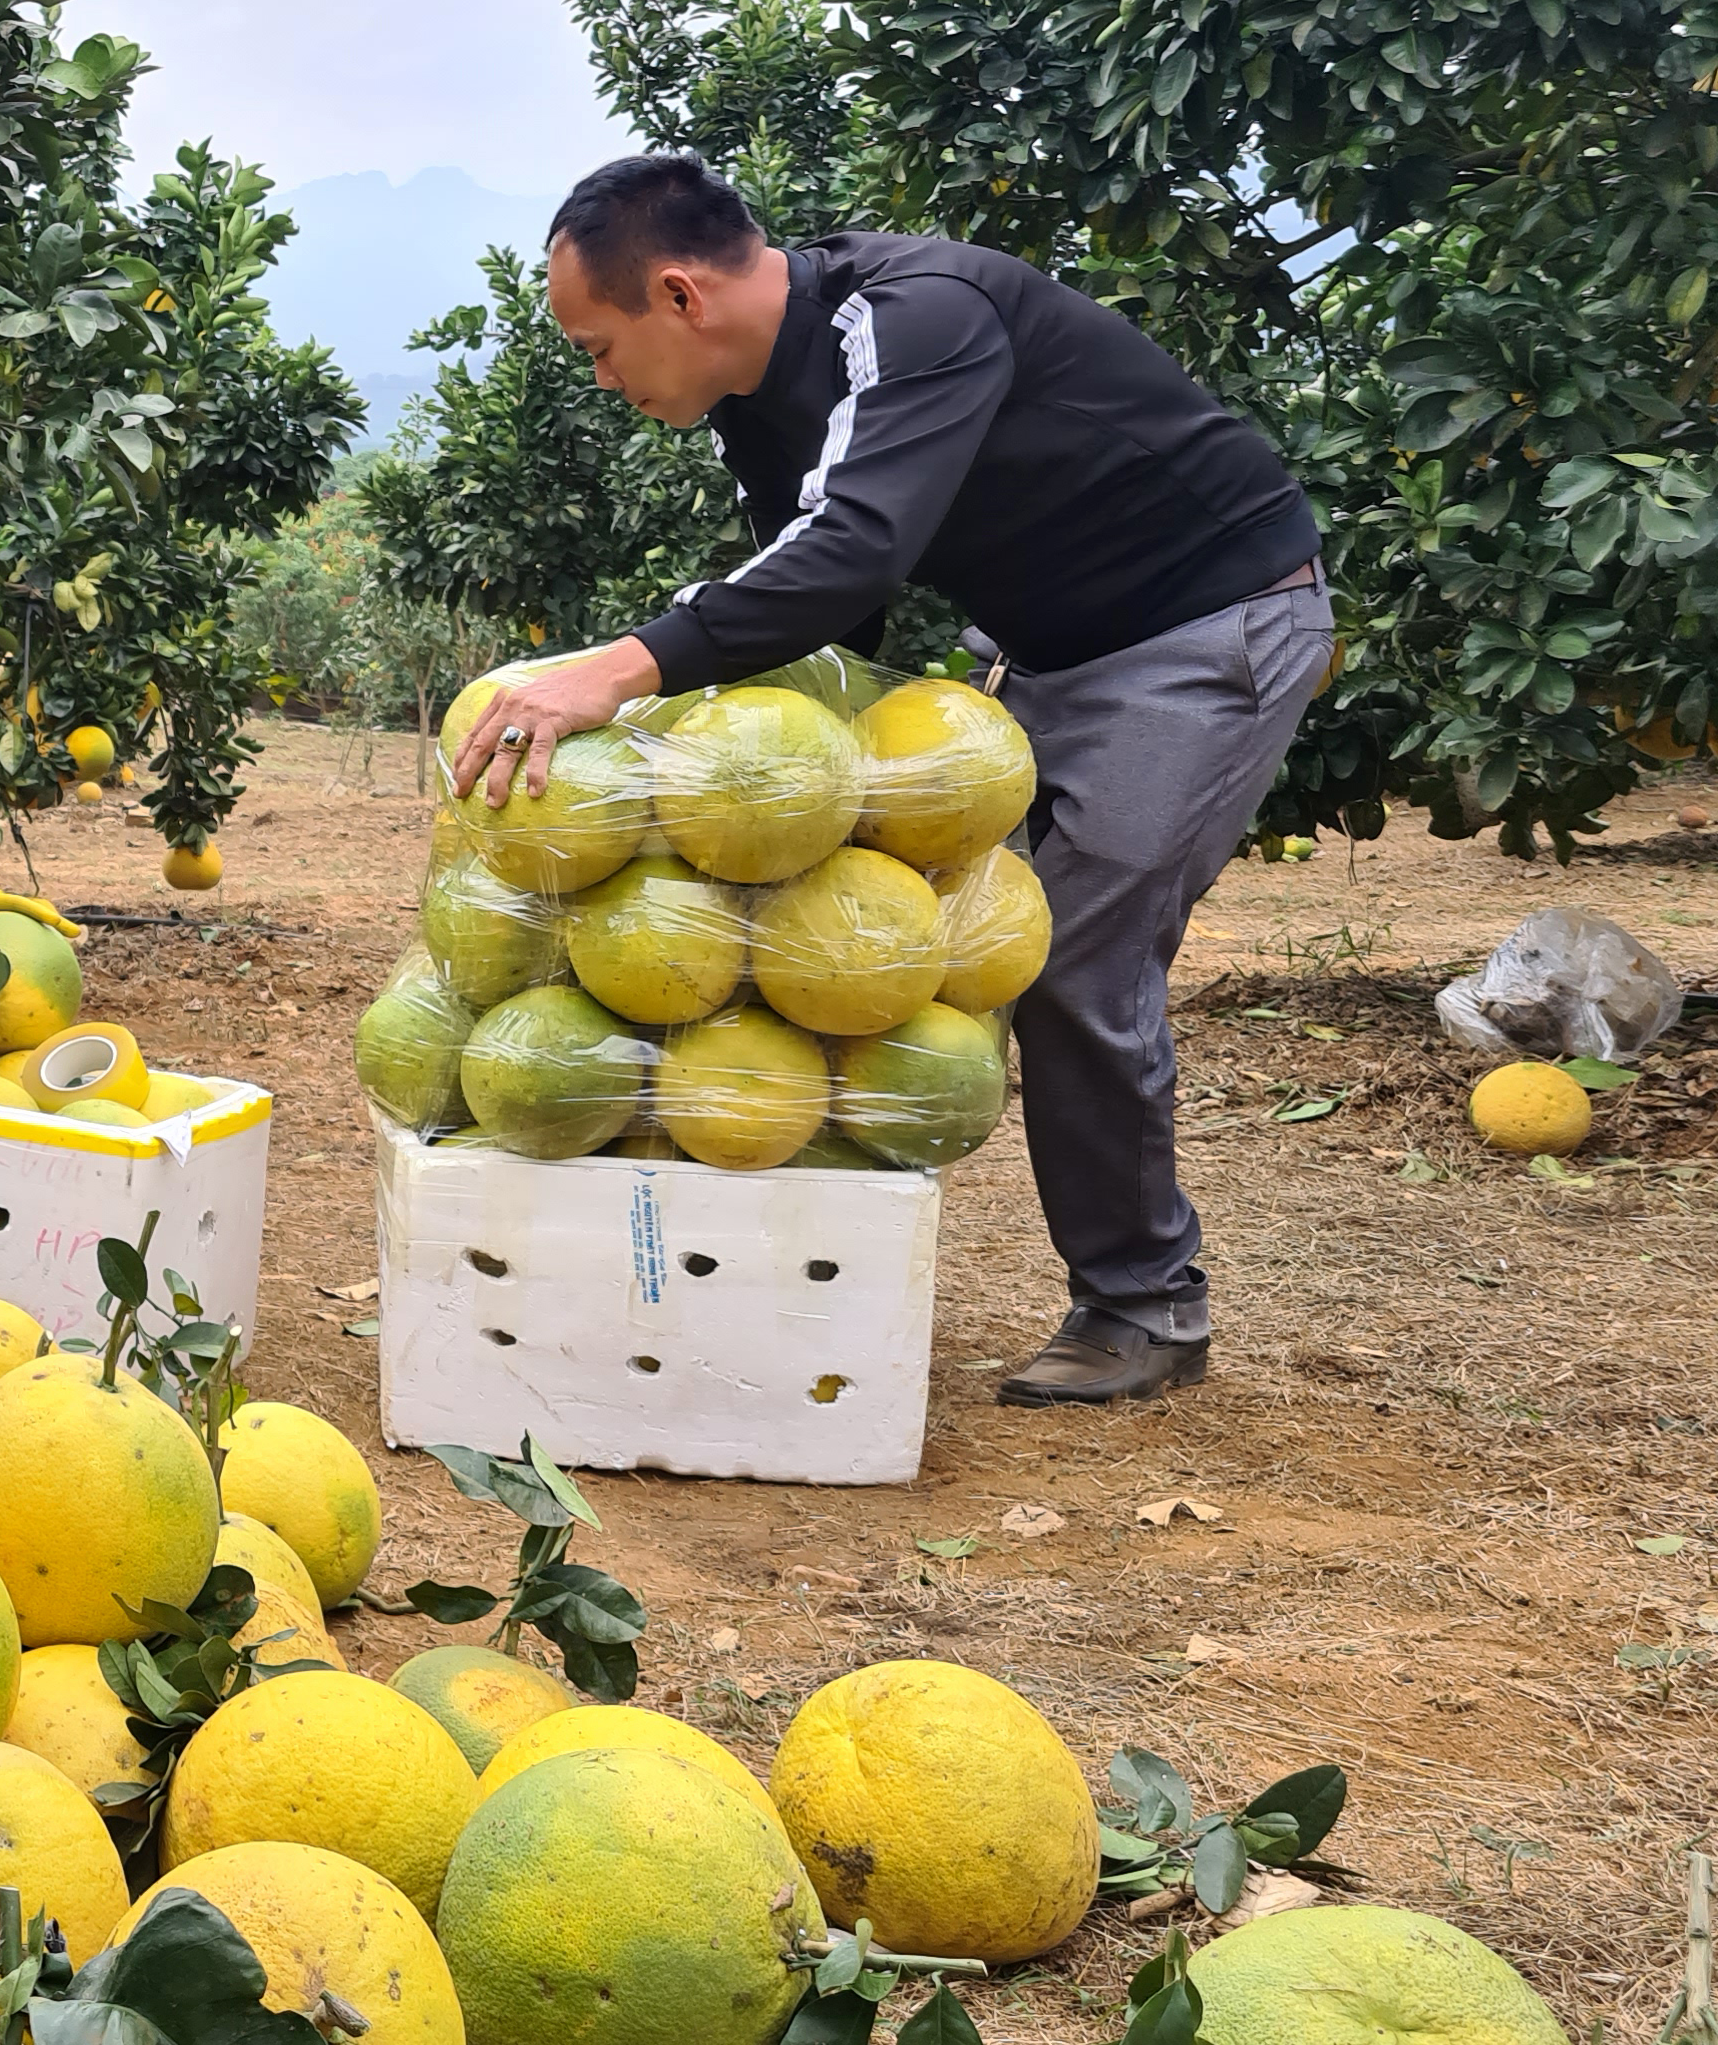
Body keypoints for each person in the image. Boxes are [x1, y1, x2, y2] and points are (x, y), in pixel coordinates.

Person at [449, 154, 1329, 1407]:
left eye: (599, 345)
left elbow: (856, 546)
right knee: (908, 931)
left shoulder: (918, 317)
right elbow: (817, 618)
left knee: (1062, 958)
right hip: (1038, 649)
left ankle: (1146, 1307)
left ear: (681, 299)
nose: (601, 378)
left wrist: (620, 672)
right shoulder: (754, 396)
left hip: (1203, 628)